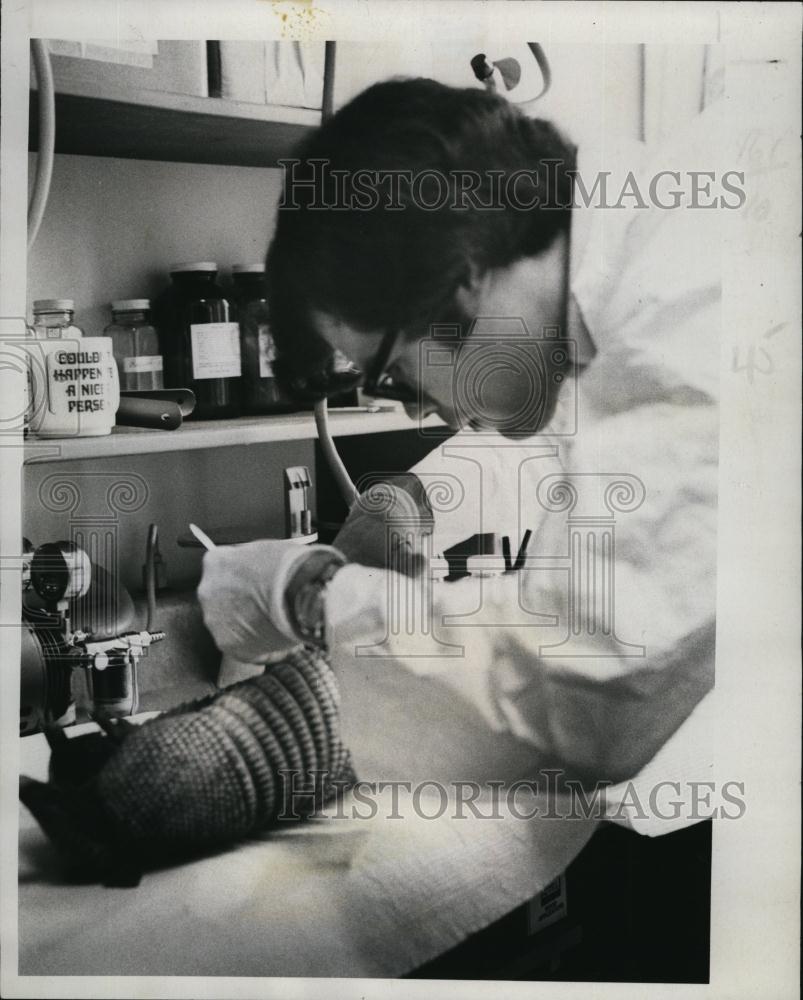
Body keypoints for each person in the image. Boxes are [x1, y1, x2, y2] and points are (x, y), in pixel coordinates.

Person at [199, 78, 722, 785]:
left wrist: (303, 594)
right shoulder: (634, 265)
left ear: (461, 277)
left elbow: (591, 695)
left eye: (391, 373)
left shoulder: (683, 295)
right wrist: (409, 500)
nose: (419, 412)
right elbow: (570, 450)